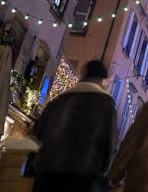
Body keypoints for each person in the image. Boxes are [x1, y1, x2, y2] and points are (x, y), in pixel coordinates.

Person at [32, 59, 117, 192]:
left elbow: (38, 132)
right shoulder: (106, 104)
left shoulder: (60, 100)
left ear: (84, 75)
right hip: (82, 178)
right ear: (102, 81)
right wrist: (103, 171)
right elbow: (109, 144)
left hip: (47, 173)